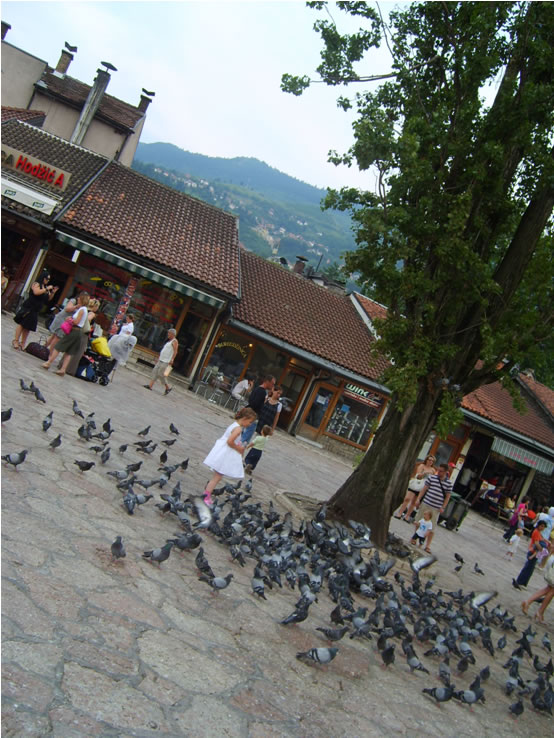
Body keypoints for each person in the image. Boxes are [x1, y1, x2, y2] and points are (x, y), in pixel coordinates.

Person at [202, 407, 257, 506]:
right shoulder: (238, 429)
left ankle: (206, 494)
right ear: (245, 419)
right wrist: (238, 448)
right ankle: (206, 496)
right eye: (250, 422)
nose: (250, 425)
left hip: (222, 451)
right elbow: (230, 441)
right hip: (225, 453)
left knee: (217, 476)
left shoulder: (234, 424)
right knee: (217, 477)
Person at [41, 291, 89, 376]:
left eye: (79, 298)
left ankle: (49, 362)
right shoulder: (84, 309)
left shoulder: (82, 310)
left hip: (74, 330)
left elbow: (77, 322)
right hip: (77, 332)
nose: (78, 298)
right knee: (69, 352)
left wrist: (69, 319)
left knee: (58, 347)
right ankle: (63, 369)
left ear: (82, 299)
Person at [13, 270, 58, 350]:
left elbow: (48, 299)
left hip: (36, 309)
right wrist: (46, 288)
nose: (47, 280)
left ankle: (23, 343)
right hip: (29, 307)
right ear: (43, 277)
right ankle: (16, 340)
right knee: (22, 324)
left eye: (49, 279)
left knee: (28, 327)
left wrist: (53, 292)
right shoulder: (37, 284)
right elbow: (36, 292)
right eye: (47, 278)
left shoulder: (45, 288)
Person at [413, 463, 453, 553]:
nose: (439, 472)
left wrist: (443, 507)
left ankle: (428, 545)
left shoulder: (449, 483)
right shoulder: (432, 478)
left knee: (432, 527)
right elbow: (424, 489)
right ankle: (415, 538)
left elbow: (447, 497)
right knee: (419, 521)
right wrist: (418, 499)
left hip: (436, 507)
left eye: (441, 471)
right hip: (426, 503)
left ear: (446, 472)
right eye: (439, 470)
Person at [394, 454, 437, 521]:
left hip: (423, 487)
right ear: (426, 460)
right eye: (429, 460)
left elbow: (433, 479)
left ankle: (407, 516)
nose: (430, 462)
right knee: (407, 499)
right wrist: (424, 473)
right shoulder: (421, 466)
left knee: (414, 502)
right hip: (416, 484)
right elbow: (418, 476)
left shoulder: (433, 470)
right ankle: (400, 513)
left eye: (432, 461)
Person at [65, 298, 100, 376]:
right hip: (83, 333)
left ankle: (63, 365)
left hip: (76, 330)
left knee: (70, 349)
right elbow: (87, 319)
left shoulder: (83, 310)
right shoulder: (91, 313)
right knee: (78, 352)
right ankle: (70, 369)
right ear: (95, 306)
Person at [521, 545, 554, 623]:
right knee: (552, 591)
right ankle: (540, 612)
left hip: (552, 559)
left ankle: (528, 602)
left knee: (548, 588)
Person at [512, 519, 548, 590]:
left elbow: (541, 540)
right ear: (538, 525)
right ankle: (520, 581)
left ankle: (522, 582)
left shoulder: (538, 532)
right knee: (528, 568)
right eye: (541, 526)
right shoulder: (536, 532)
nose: (542, 528)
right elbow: (536, 543)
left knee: (529, 569)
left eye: (543, 527)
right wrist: (542, 550)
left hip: (534, 551)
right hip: (533, 551)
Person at [241, 375, 275, 446]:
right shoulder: (262, 392)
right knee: (244, 439)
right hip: (252, 417)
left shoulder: (257, 388)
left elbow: (251, 401)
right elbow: (255, 404)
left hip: (248, 415)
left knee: (243, 436)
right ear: (267, 381)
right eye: (272, 383)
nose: (273, 386)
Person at [144, 327, 178, 395]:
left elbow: (175, 351)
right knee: (155, 371)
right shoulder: (169, 341)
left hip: (166, 361)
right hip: (161, 359)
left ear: (172, 334)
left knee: (160, 373)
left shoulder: (174, 341)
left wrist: (172, 359)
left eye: (169, 333)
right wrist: (159, 358)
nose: (168, 334)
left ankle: (168, 387)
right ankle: (150, 385)